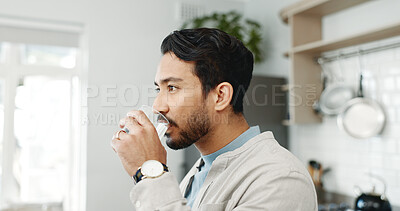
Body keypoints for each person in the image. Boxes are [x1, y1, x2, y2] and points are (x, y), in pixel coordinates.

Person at [111, 28, 317, 210]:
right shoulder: (201, 170)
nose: (157, 106)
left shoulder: (281, 179)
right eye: (159, 88)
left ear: (220, 96)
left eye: (172, 88)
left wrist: (150, 172)